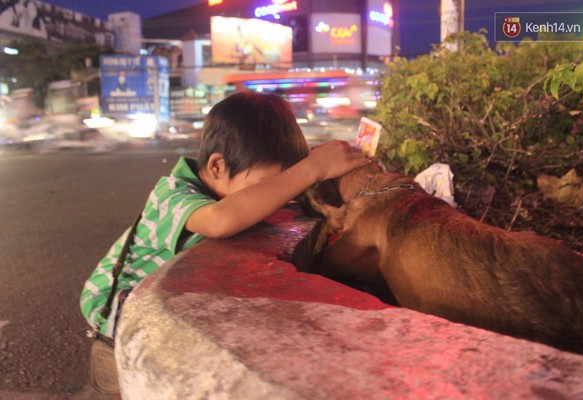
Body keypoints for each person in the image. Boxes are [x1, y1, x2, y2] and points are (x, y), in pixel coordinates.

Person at [80, 91, 368, 338]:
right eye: (267, 186)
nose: (276, 196)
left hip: (169, 290)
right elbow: (220, 221)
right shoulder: (171, 195)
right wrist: (311, 168)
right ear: (217, 166)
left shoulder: (228, 189)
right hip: (118, 301)